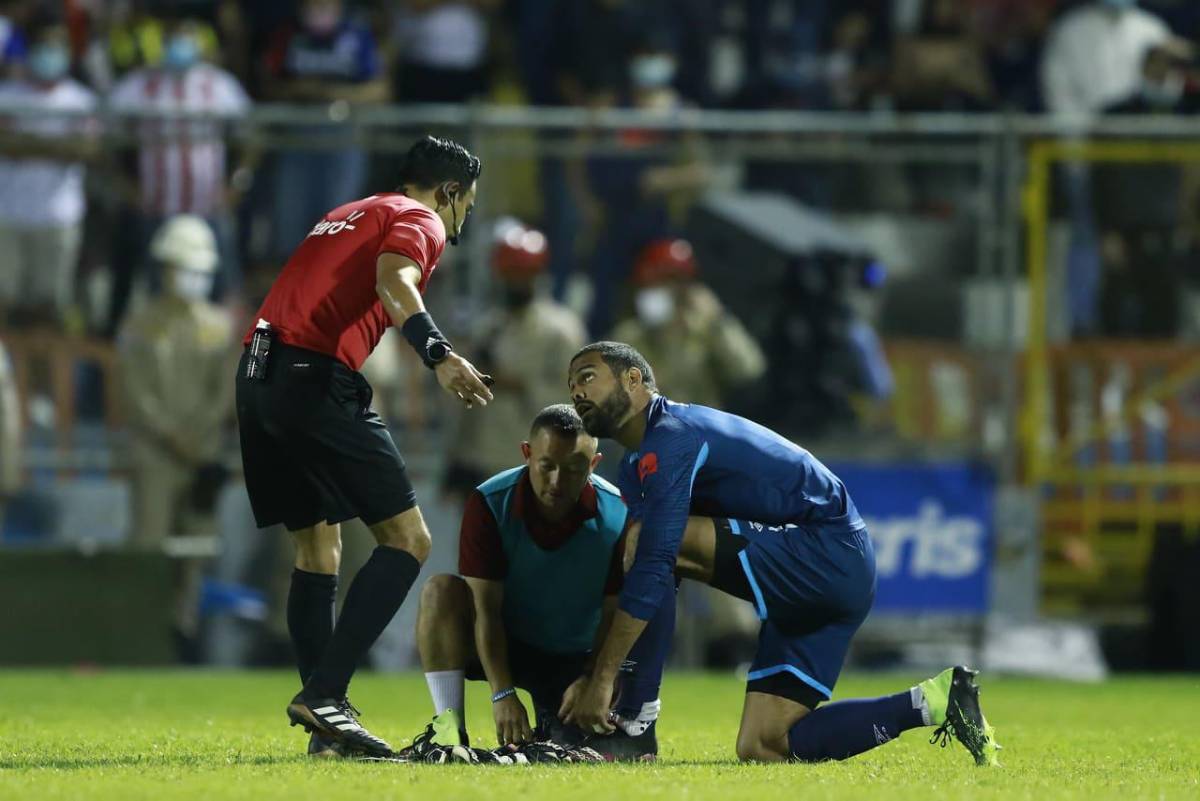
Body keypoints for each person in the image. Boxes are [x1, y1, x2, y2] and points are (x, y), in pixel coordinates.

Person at [562, 342, 1000, 766]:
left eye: (588, 377)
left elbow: (656, 558)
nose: (578, 392)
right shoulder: (637, 462)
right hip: (822, 572)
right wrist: (591, 673)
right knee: (764, 743)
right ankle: (935, 702)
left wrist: (603, 679)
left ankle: (635, 724)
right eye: (572, 386)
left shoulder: (673, 435)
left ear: (634, 379)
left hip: (826, 552)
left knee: (656, 546)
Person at [235, 135, 492, 759]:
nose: (461, 221)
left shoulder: (343, 214)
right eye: (467, 205)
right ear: (450, 192)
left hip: (256, 374)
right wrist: (439, 352)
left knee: (317, 547)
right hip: (313, 377)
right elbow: (395, 280)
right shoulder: (418, 216)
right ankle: (327, 694)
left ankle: (326, 719)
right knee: (409, 540)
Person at [414, 404, 633, 755]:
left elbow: (615, 612)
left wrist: (593, 679)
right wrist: (502, 693)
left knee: (584, 751)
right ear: (527, 454)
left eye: (574, 469)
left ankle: (555, 717)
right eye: (546, 466)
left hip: (574, 658)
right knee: (440, 591)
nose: (557, 482)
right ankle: (447, 732)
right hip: (506, 646)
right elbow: (484, 609)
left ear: (593, 465)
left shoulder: (619, 513)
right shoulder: (488, 502)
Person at [116, 215, 235, 659]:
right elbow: (136, 393)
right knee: (150, 546)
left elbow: (222, 392)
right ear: (163, 268)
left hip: (202, 455)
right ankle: (142, 634)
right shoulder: (139, 326)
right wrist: (171, 436)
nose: (193, 277)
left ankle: (183, 633)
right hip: (155, 456)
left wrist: (198, 436)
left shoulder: (220, 327)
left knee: (197, 549)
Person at [107, 11, 251, 334]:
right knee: (157, 292)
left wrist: (236, 184)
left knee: (224, 292)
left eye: (186, 37)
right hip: (156, 209)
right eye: (173, 38)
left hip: (209, 209)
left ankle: (228, 365)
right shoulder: (140, 84)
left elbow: (252, 135)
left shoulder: (218, 84)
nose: (179, 45)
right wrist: (124, 185)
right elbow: (103, 133)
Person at [443, 219, 587, 498]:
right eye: (511, 274)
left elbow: (575, 401)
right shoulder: (488, 327)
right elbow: (465, 404)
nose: (517, 282)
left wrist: (516, 382)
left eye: (524, 274)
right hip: (485, 461)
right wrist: (456, 460)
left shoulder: (561, 330)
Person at [0, 12, 97, 327]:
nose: (50, 53)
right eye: (44, 46)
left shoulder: (82, 100)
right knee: (6, 306)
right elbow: (6, 145)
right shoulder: (7, 96)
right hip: (9, 216)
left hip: (59, 218)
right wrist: (59, 146)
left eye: (58, 46)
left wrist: (26, 143)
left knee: (50, 309)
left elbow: (87, 150)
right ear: (30, 50)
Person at [609, 238, 765, 409]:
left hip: (699, 430)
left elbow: (749, 369)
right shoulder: (629, 336)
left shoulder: (706, 332)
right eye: (653, 282)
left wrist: (719, 319)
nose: (660, 289)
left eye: (670, 282)